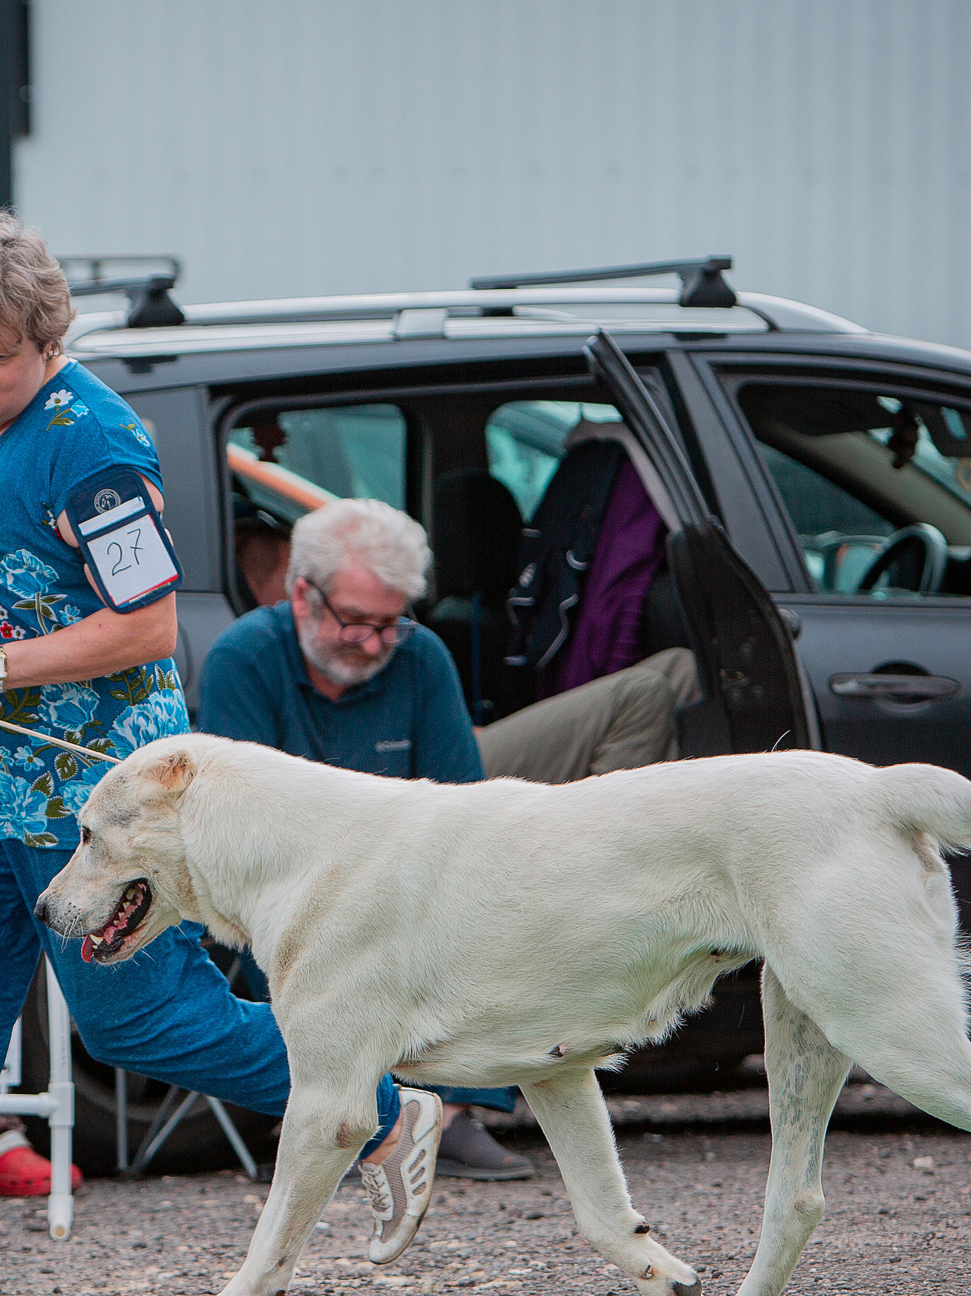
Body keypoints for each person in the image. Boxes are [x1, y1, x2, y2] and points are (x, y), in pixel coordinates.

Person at [0, 212, 438, 1296]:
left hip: (104, 792)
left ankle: (388, 1109)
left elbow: (149, 625)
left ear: (46, 343)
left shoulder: (93, 447)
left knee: (142, 1020)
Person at [197, 497, 701, 1178]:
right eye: (356, 621)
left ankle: (460, 1104)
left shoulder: (420, 655)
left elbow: (468, 816)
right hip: (313, 888)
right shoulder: (243, 661)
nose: (376, 643)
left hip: (414, 861)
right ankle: (363, 1099)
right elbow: (246, 848)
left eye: (391, 623)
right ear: (300, 596)